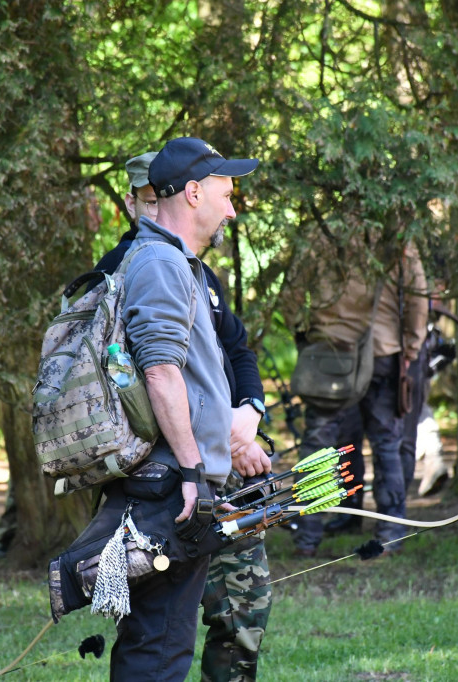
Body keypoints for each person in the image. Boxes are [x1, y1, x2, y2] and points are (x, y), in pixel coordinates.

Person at [96, 149, 272, 682]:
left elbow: (222, 360)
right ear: (193, 194)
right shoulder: (159, 263)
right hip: (173, 485)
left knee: (165, 638)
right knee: (160, 646)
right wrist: (195, 473)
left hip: (182, 480)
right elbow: (160, 372)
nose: (232, 210)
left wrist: (240, 423)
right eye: (226, 194)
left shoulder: (178, 263)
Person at [290, 240, 429, 557]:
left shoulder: (320, 234)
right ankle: (390, 533)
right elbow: (419, 301)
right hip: (383, 354)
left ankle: (306, 537)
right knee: (387, 446)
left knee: (316, 447)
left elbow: (292, 296)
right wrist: (410, 349)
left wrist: (308, 335)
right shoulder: (397, 239)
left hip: (329, 355)